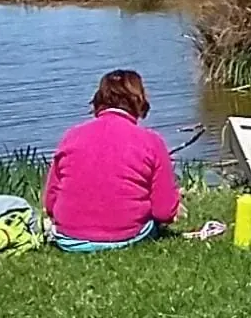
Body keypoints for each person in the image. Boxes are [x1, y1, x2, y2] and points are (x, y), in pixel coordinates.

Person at [43, 69, 182, 252]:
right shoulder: (152, 142)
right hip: (127, 237)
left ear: (99, 99)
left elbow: (50, 203)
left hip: (69, 239)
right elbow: (164, 212)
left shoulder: (71, 136)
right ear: (139, 101)